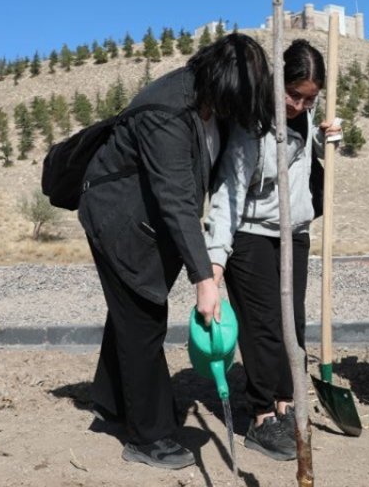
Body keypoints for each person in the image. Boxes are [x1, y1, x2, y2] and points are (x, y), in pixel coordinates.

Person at [78, 33, 274, 470]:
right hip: (116, 217)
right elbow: (176, 199)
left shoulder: (210, 104)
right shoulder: (166, 110)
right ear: (220, 83)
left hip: (148, 219)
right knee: (144, 313)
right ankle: (148, 436)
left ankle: (110, 402)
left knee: (130, 310)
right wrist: (205, 280)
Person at [203, 39, 339, 461]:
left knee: (292, 324)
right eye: (293, 94)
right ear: (278, 81)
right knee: (262, 327)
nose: (299, 104)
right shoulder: (251, 124)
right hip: (251, 233)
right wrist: (216, 262)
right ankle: (261, 416)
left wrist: (325, 140)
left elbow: (308, 169)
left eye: (309, 98)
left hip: (293, 232)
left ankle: (285, 401)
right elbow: (228, 192)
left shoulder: (309, 115)